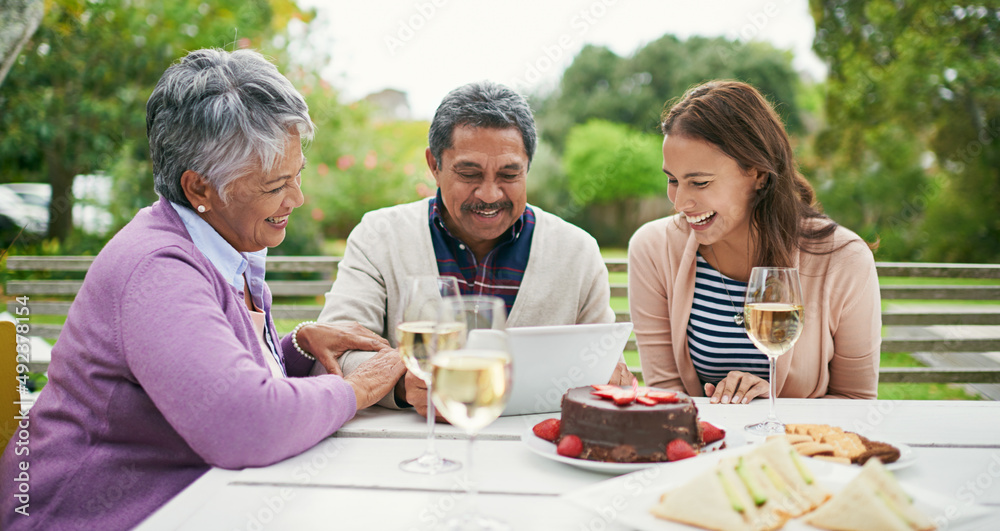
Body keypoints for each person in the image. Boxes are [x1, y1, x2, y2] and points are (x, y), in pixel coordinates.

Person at [0, 49, 404, 530]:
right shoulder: (158, 270)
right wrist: (353, 389)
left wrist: (294, 348)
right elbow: (244, 425)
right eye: (276, 185)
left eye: (297, 175)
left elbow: (209, 372)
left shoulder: (220, 242)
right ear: (200, 189)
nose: (297, 198)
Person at [299, 80, 632, 414]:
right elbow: (335, 352)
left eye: (509, 174)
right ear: (434, 165)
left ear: (528, 165)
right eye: (469, 173)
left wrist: (610, 376)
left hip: (533, 452)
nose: (489, 194)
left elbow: (603, 363)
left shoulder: (577, 251)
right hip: (402, 452)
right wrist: (402, 386)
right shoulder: (379, 236)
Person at [628, 80, 881, 404]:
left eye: (700, 182)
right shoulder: (652, 250)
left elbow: (856, 400)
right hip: (703, 449)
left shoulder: (843, 260)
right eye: (673, 180)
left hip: (797, 452)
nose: (680, 203)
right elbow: (666, 396)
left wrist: (775, 407)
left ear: (759, 173)